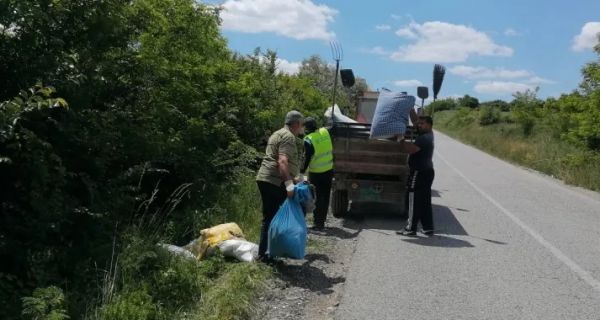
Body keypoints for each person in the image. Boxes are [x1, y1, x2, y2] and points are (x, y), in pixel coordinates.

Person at [256, 110, 304, 262]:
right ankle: (265, 255)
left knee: (271, 216)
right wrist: (289, 185)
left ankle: (267, 252)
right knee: (272, 217)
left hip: (266, 178)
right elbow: (282, 161)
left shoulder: (277, 133)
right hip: (274, 180)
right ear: (295, 124)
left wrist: (295, 178)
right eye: (300, 125)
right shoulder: (288, 137)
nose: (301, 128)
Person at [397, 115, 435, 236]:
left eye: (422, 123)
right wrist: (411, 111)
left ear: (429, 125)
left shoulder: (423, 139)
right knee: (424, 201)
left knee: (412, 199)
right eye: (419, 124)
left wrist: (401, 140)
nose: (419, 125)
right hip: (427, 171)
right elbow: (416, 124)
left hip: (418, 172)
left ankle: (410, 228)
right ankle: (428, 227)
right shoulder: (429, 135)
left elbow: (410, 150)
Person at [301, 117, 333, 231]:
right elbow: (332, 128)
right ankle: (321, 222)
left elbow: (307, 158)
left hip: (316, 173)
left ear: (307, 128)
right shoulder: (325, 132)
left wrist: (301, 171)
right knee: (325, 196)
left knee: (317, 198)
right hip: (329, 170)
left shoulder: (308, 139)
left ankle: (317, 223)